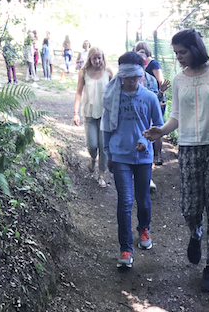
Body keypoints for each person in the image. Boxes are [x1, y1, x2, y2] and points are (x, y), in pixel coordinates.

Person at [143, 28, 209, 291]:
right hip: (190, 148)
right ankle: (195, 233)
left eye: (183, 52)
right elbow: (176, 116)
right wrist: (161, 130)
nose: (178, 57)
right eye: (176, 52)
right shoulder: (179, 80)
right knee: (190, 207)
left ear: (196, 48)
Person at [102, 51, 163, 268]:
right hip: (120, 156)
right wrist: (108, 155)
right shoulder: (112, 97)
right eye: (126, 76)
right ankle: (125, 249)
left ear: (140, 76)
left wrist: (146, 142)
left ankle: (143, 228)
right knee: (125, 201)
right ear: (120, 76)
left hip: (143, 157)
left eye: (134, 76)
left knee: (143, 199)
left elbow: (158, 126)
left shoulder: (149, 98)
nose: (130, 81)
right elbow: (106, 127)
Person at [73, 47, 114, 188]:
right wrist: (75, 112)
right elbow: (78, 92)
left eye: (99, 58)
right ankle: (92, 158)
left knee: (104, 146)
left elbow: (114, 93)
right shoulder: (83, 72)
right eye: (94, 58)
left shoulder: (108, 72)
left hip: (105, 114)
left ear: (103, 58)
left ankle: (101, 175)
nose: (97, 61)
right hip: (89, 113)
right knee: (92, 145)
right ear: (90, 58)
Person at [135, 50, 169, 193]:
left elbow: (156, 97)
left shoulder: (150, 79)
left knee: (149, 139)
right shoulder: (130, 79)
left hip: (147, 117)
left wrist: (160, 94)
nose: (141, 65)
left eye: (142, 63)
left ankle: (148, 177)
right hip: (134, 118)